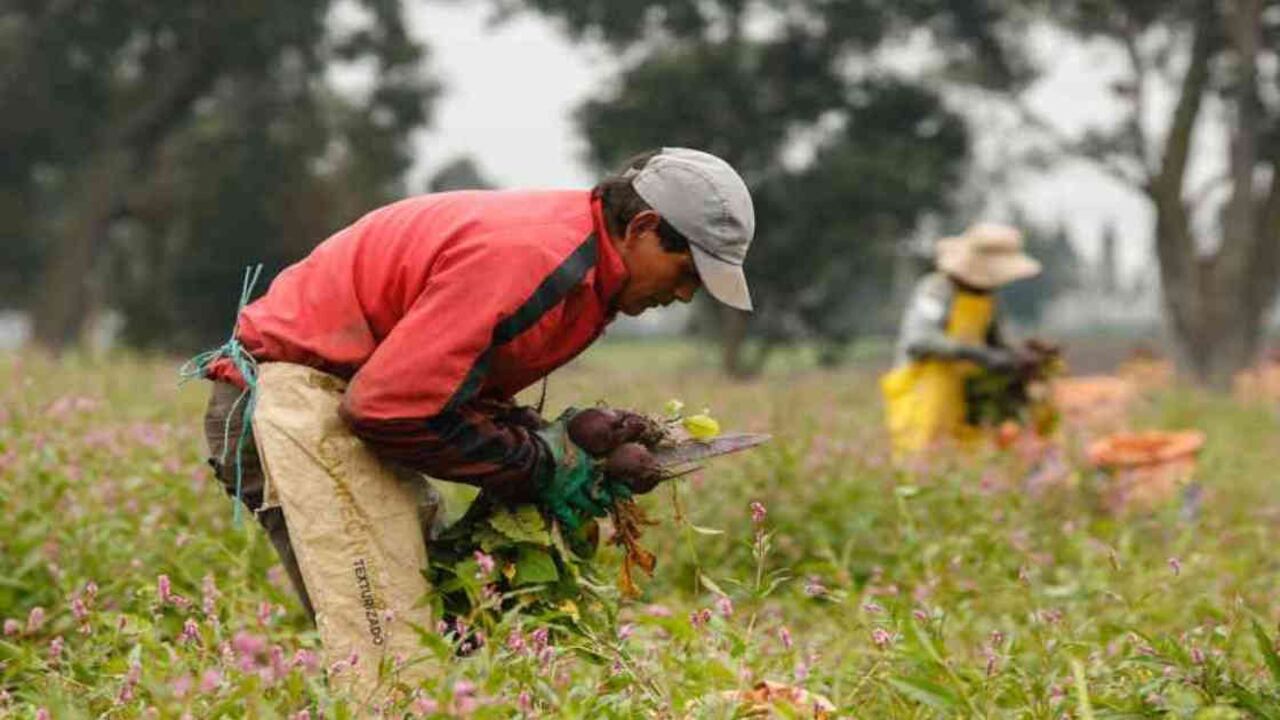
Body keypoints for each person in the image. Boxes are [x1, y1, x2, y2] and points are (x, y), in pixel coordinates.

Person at [191, 147, 755, 696]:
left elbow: (449, 384)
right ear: (643, 227)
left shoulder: (588, 274)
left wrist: (544, 436)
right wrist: (540, 465)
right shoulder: (534, 257)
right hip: (293, 397)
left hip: (345, 396)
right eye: (686, 272)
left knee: (436, 620)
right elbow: (385, 407)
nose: (684, 295)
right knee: (390, 658)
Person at [880, 222, 1041, 457]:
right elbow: (920, 339)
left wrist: (1017, 358)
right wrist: (976, 354)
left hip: (962, 398)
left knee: (962, 464)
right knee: (919, 462)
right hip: (922, 393)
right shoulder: (936, 289)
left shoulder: (988, 299)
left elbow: (997, 342)